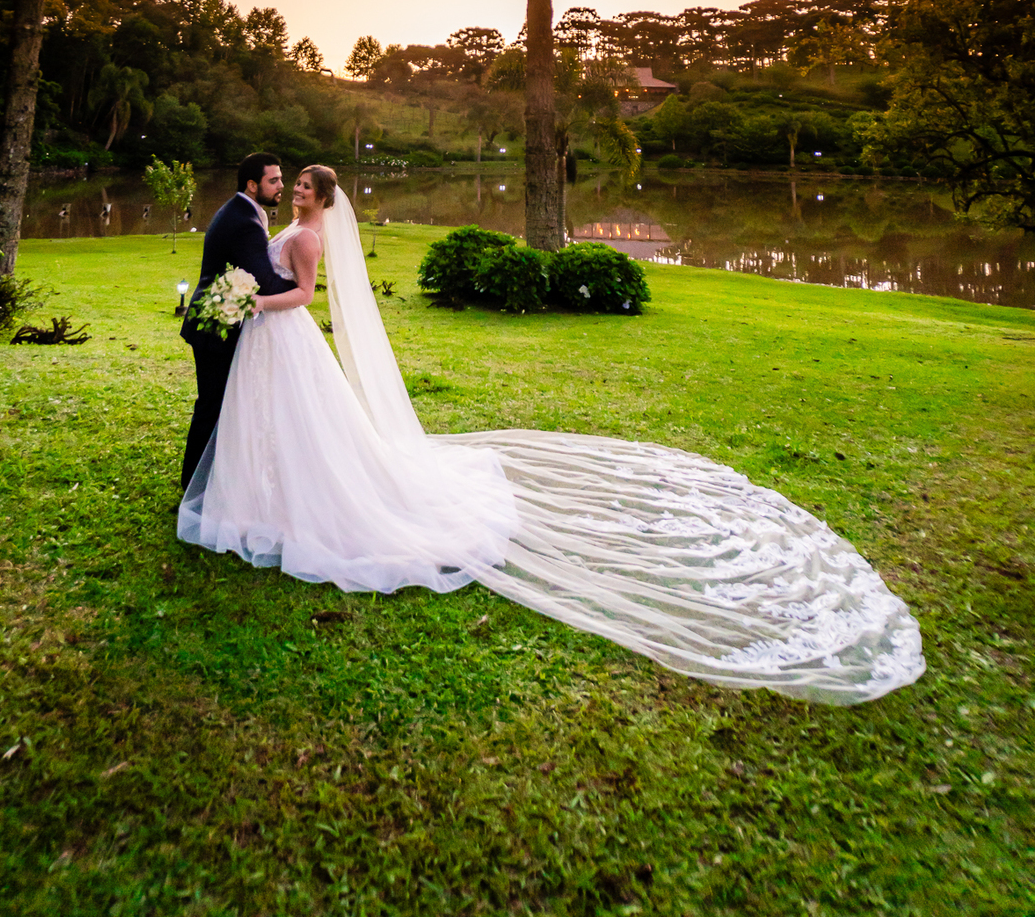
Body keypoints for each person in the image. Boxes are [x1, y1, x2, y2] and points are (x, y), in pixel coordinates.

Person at [179, 167, 925, 705]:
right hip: (271, 341)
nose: (293, 191)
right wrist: (247, 295)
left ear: (320, 197)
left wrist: (253, 302)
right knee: (281, 423)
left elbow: (303, 294)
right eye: (289, 184)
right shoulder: (283, 226)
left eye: (301, 186)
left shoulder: (308, 240)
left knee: (311, 426)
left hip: (283, 332)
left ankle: (301, 495)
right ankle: (268, 488)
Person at [178, 152, 297, 489]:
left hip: (215, 319)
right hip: (215, 326)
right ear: (252, 184)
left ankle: (210, 480)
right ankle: (195, 486)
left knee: (217, 404)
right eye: (273, 180)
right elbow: (265, 282)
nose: (281, 186)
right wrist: (301, 287)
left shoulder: (240, 210)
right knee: (213, 406)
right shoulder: (244, 221)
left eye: (281, 178)